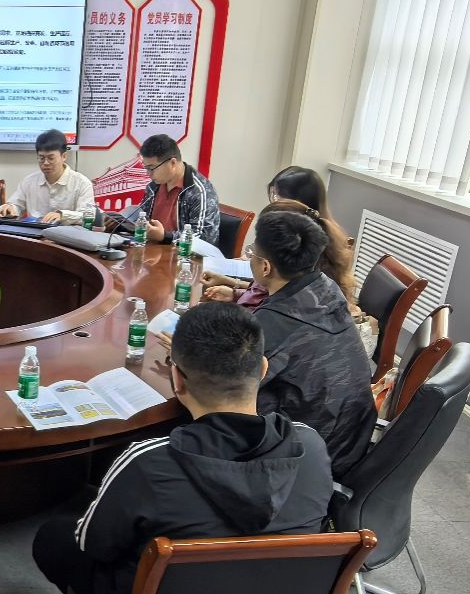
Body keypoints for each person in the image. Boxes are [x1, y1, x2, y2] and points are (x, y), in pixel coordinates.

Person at [32, 301, 334, 594]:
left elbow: (93, 545)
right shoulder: (310, 446)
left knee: (55, 537)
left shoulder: (146, 462)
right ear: (262, 369)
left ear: (177, 378)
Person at [248, 210, 376, 478]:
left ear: (265, 267)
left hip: (299, 464)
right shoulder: (326, 288)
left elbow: (228, 389)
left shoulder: (274, 323)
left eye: (252, 252)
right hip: (346, 445)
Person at [202, 198, 356, 310]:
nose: (250, 256)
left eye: (254, 250)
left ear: (266, 266)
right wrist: (234, 290)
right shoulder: (310, 283)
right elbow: (262, 291)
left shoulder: (275, 312)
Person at [121, 133, 220, 245]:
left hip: (181, 254)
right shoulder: (154, 186)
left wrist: (164, 236)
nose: (148, 174)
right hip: (152, 249)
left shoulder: (199, 191)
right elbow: (142, 217)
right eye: (146, 168)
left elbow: (204, 239)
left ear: (172, 163)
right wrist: (121, 224)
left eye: (152, 168)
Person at [0, 128, 95, 225]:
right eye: (41, 158)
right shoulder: (29, 181)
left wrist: (62, 215)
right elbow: (16, 204)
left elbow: (88, 215)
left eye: (51, 158)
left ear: (64, 156)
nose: (46, 163)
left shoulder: (81, 183)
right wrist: (10, 208)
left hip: (66, 233)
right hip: (34, 232)